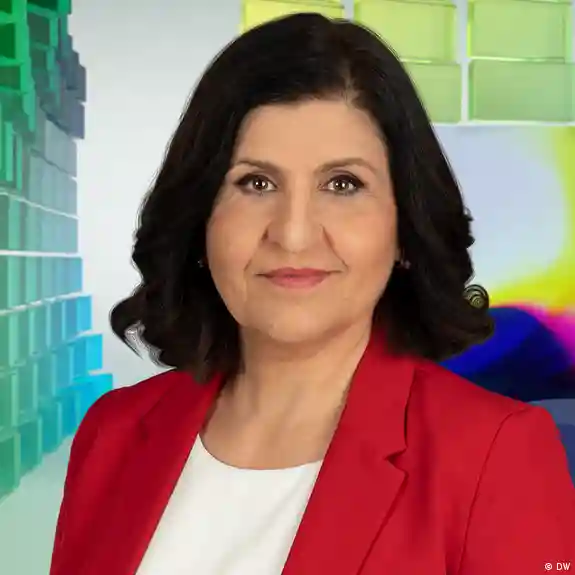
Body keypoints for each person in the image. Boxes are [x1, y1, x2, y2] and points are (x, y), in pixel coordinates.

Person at [50, 13, 575, 575]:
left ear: (404, 226)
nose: (293, 234)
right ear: (200, 218)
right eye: (255, 183)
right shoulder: (113, 433)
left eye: (343, 184)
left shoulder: (496, 453)